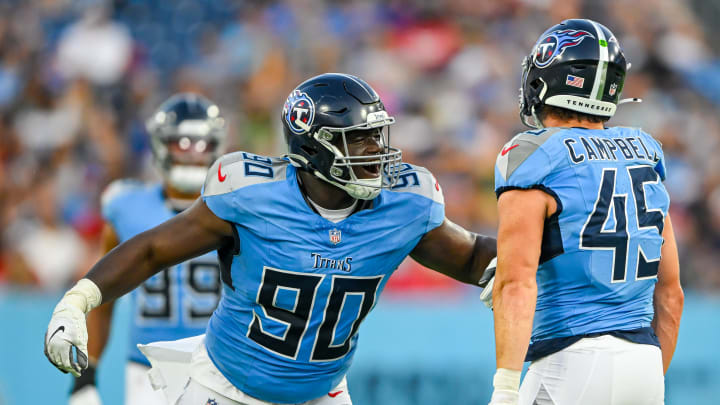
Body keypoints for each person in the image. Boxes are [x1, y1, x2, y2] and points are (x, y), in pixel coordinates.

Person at [45, 73, 497, 405]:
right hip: (223, 389)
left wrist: (544, 252)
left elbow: (474, 257)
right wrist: (78, 300)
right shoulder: (251, 197)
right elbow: (151, 249)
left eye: (377, 137)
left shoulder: (405, 205)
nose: (376, 153)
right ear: (314, 148)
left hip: (323, 392)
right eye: (358, 140)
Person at [488, 19, 684, 405]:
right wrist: (641, 379)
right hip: (644, 364)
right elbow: (671, 294)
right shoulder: (644, 152)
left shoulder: (534, 154)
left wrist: (505, 389)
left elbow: (516, 284)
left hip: (570, 361)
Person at [67, 93, 228, 404]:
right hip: (146, 370)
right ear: (160, 145)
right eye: (181, 143)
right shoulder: (126, 205)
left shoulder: (235, 207)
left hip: (218, 367)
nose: (192, 154)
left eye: (201, 143)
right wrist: (85, 377)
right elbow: (103, 295)